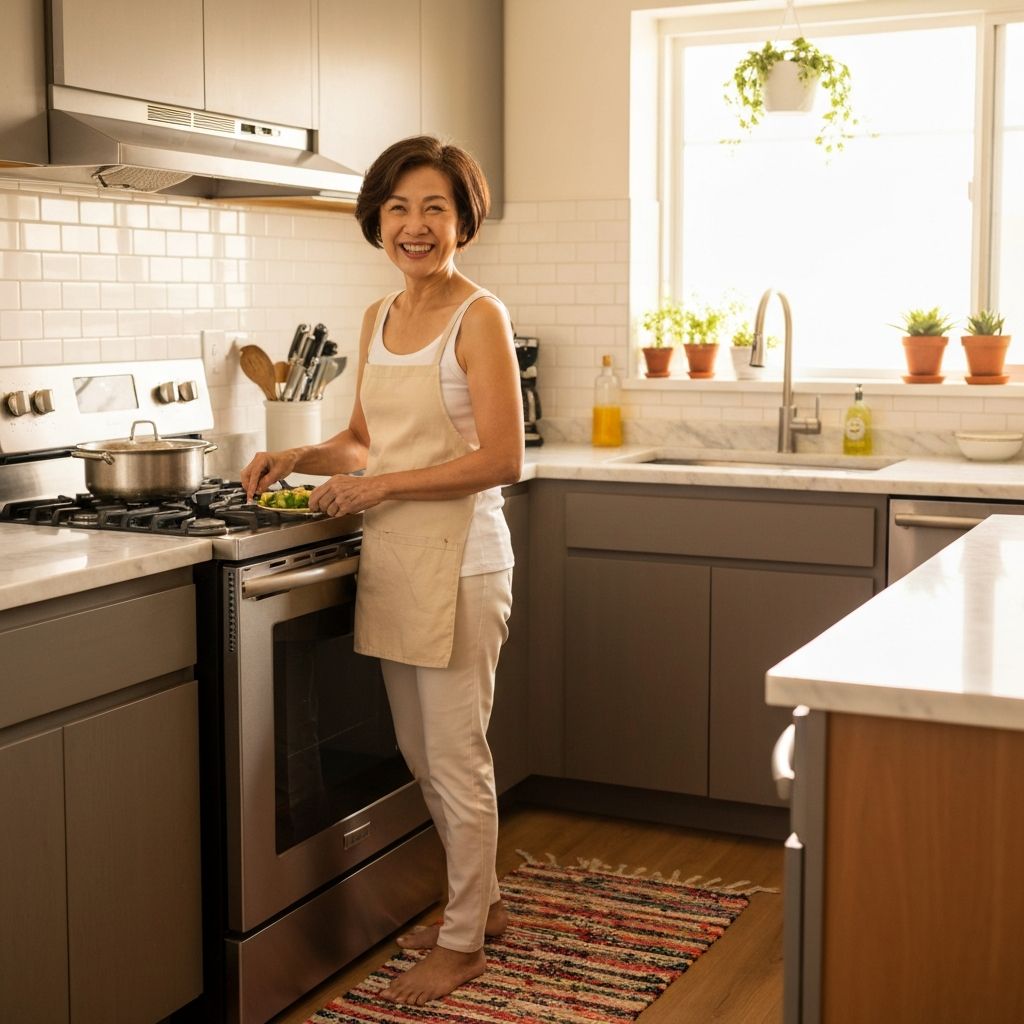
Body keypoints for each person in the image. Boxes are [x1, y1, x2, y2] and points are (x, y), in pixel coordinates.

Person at [240, 135, 523, 1006]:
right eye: (399, 208)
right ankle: (486, 903)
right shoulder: (377, 317)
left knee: (456, 758)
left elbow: (503, 458)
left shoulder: (480, 317)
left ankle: (463, 942)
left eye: (435, 207)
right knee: (420, 752)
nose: (415, 225)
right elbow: (364, 441)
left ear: (463, 221)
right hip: (399, 558)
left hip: (463, 562)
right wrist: (299, 456)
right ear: (377, 220)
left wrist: (380, 486)